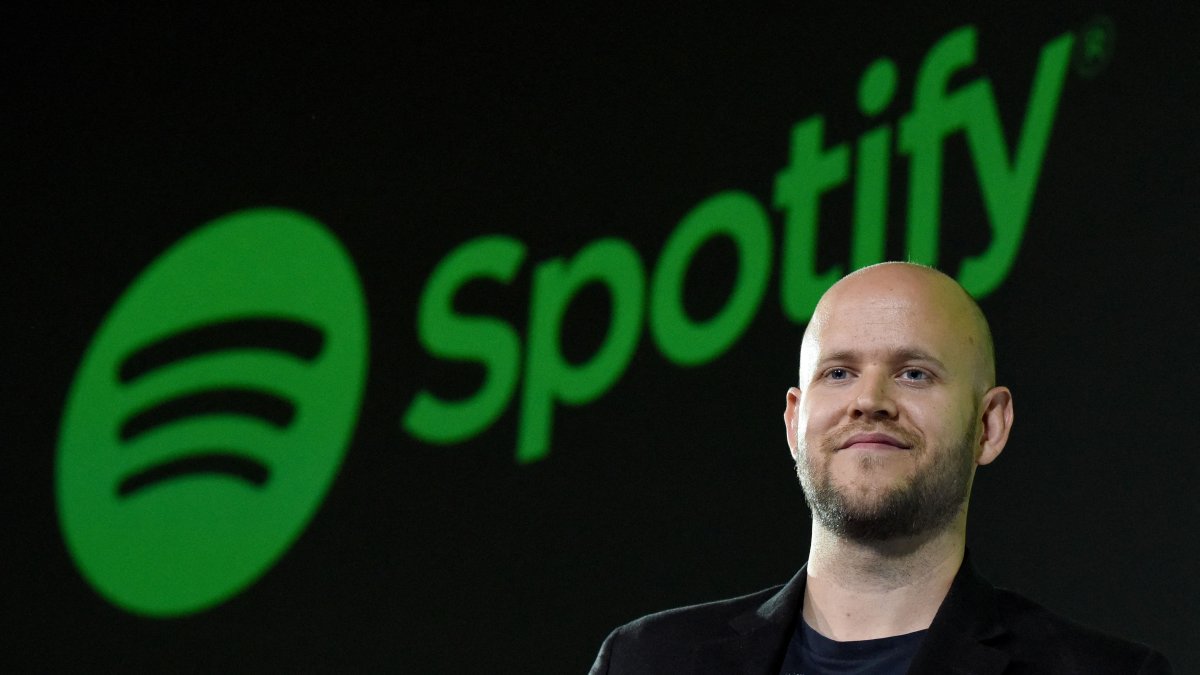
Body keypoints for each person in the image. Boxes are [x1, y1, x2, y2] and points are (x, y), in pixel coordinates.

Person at [589, 262, 1171, 674]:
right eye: (838, 373)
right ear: (794, 422)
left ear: (989, 426)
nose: (870, 400)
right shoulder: (647, 660)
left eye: (914, 373)